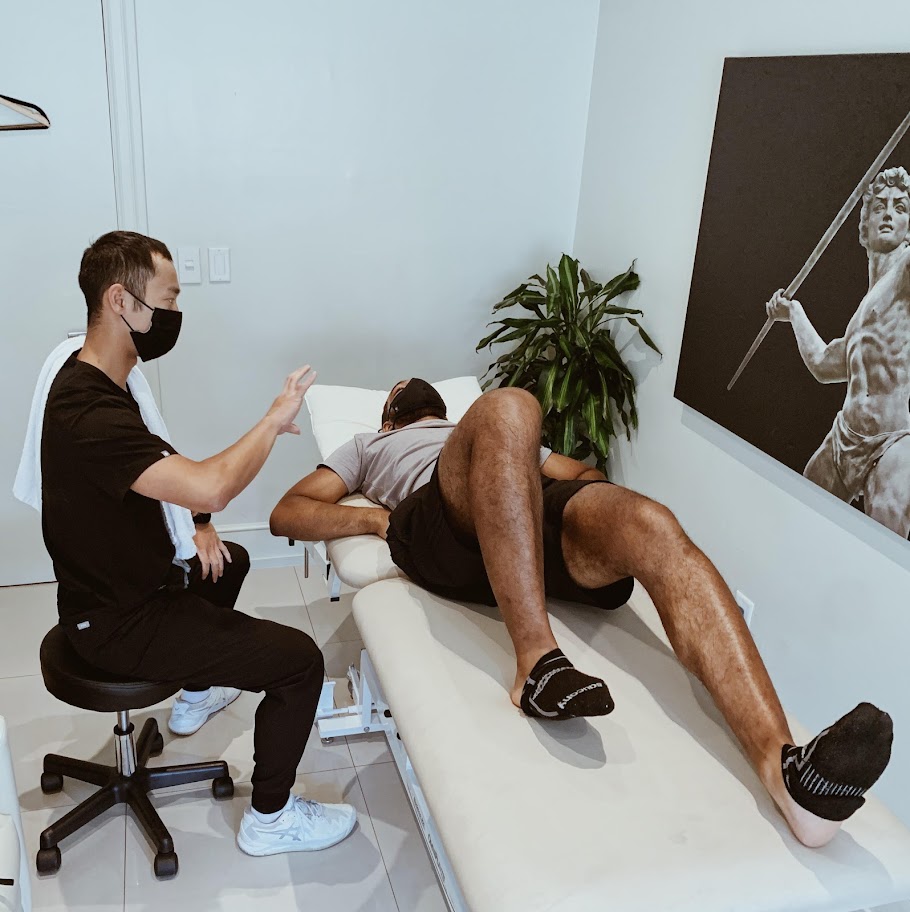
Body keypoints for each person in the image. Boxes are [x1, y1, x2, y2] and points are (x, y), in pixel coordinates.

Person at [270, 377, 893, 849]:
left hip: (528, 514)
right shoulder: (371, 445)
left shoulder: (496, 437)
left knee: (651, 523)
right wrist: (375, 521)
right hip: (442, 526)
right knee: (511, 403)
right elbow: (287, 512)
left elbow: (585, 474)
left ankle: (790, 777)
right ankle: (537, 665)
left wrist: (589, 510)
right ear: (389, 419)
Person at [40, 230, 356, 857]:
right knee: (299, 662)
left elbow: (158, 469)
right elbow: (211, 485)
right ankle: (271, 819)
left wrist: (200, 524)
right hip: (118, 622)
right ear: (121, 301)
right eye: (168, 299)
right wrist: (273, 420)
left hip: (123, 591)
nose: (176, 313)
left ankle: (196, 691)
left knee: (227, 561)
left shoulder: (100, 379)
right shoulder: (87, 412)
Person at [766, 166, 910, 538]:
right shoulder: (862, 315)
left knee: (882, 541)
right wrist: (793, 313)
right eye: (879, 206)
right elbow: (823, 364)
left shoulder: (905, 274)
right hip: (844, 437)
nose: (888, 213)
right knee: (800, 516)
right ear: (865, 224)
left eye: (900, 207)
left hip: (890, 443)